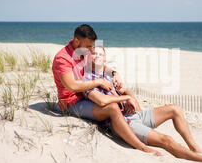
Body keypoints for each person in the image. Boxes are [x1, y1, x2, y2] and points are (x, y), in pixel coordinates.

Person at [82, 45, 202, 163]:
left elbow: (123, 89)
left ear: (105, 58)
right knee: (166, 140)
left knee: (175, 109)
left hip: (134, 115)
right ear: (89, 56)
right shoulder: (88, 78)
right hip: (124, 124)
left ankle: (194, 147)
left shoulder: (108, 74)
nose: (97, 56)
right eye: (94, 53)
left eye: (101, 54)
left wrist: (128, 97)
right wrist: (127, 97)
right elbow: (101, 100)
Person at [52, 24, 161, 156]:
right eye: (88, 46)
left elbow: (101, 66)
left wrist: (114, 73)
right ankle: (142, 147)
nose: (91, 50)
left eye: (92, 46)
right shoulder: (62, 58)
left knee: (125, 92)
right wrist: (98, 82)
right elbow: (72, 86)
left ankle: (140, 127)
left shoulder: (84, 49)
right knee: (112, 107)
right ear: (76, 41)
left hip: (87, 96)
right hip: (72, 102)